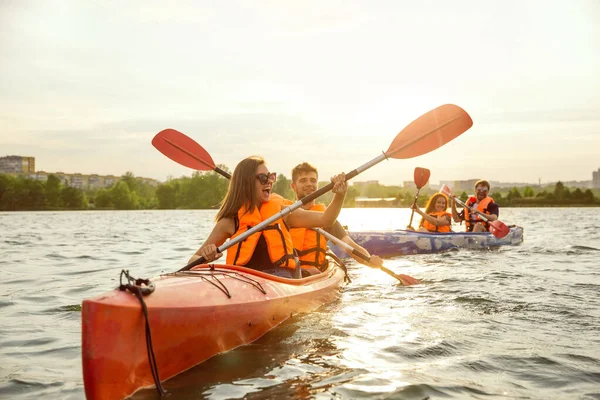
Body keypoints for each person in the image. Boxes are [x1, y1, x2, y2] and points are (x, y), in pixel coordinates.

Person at [189, 156, 348, 279]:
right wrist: (205, 257)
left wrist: (339, 196)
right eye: (264, 178)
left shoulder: (282, 213)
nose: (270, 182)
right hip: (245, 283)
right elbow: (193, 260)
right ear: (247, 183)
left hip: (283, 283)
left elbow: (326, 219)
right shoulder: (229, 222)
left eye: (271, 176)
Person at [286, 162, 383, 273]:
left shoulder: (327, 218)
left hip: (313, 275)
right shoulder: (285, 214)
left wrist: (368, 260)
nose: (309, 184)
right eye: (303, 180)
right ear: (293, 186)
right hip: (287, 275)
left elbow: (350, 245)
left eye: (313, 180)